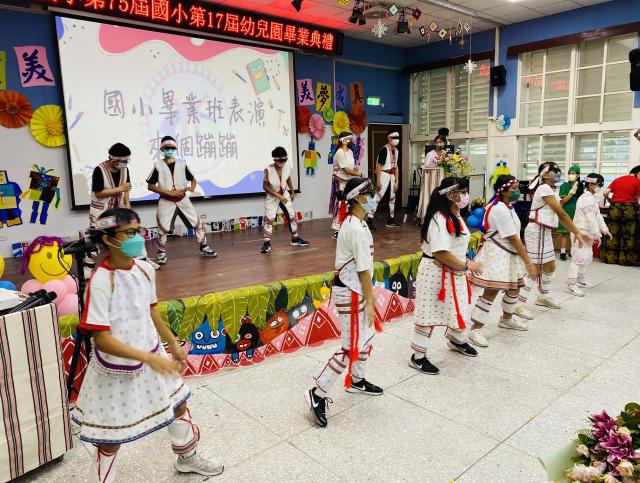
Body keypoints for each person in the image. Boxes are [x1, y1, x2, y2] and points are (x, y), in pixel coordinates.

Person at [74, 208, 224, 482]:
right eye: (128, 233)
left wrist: (172, 343)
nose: (137, 238)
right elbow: (102, 339)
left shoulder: (144, 269)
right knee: (110, 438)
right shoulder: (100, 282)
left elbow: (151, 309)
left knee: (178, 404)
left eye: (138, 231)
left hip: (152, 354)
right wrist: (149, 358)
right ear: (108, 239)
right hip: (117, 369)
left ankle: (187, 458)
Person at [306, 178, 383, 428]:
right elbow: (363, 270)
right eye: (370, 194)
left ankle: (357, 380)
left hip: (354, 288)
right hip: (351, 291)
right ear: (358, 198)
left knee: (365, 338)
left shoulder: (356, 222)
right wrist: (370, 301)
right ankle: (317, 393)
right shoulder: (356, 228)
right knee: (350, 347)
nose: (374, 198)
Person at [410, 177, 483, 375]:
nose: (466, 196)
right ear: (450, 194)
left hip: (454, 271)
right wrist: (467, 265)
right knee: (428, 313)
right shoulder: (439, 219)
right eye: (463, 192)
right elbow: (440, 253)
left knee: (459, 306)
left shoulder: (454, 214)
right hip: (436, 273)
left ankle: (457, 340)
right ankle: (418, 356)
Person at [467, 175, 538, 347]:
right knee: (491, 291)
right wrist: (529, 263)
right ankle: (475, 329)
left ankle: (506, 319)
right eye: (514, 188)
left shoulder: (508, 206)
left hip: (509, 253)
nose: (517, 191)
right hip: (498, 253)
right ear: (503, 191)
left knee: (514, 288)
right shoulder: (499, 209)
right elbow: (513, 238)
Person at [514, 162, 592, 320]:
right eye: (554, 170)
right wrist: (577, 232)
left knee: (550, 266)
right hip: (537, 231)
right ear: (544, 174)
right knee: (534, 269)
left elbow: (559, 209)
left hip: (545, 232)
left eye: (558, 170)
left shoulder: (552, 190)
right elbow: (561, 213)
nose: (558, 173)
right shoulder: (543, 188)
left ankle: (542, 297)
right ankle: (518, 304)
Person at [147, 136, 217, 264]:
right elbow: (150, 186)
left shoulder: (182, 164)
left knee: (197, 223)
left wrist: (193, 187)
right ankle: (161, 253)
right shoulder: (158, 166)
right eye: (167, 148)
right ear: (162, 149)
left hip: (183, 199)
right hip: (166, 200)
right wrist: (169, 192)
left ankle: (204, 246)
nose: (170, 150)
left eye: (172, 148)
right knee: (162, 228)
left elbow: (193, 179)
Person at [88, 143, 158, 270]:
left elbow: (126, 189)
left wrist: (128, 205)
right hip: (102, 211)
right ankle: (87, 266)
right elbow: (98, 193)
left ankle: (142, 261)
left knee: (132, 232)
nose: (126, 164)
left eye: (127, 161)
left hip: (119, 210)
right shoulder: (99, 170)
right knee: (97, 237)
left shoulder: (125, 169)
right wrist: (120, 189)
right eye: (124, 161)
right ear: (114, 160)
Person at [566, 174, 611, 296]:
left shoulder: (592, 198)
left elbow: (597, 216)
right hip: (580, 231)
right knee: (577, 258)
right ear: (591, 184)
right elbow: (591, 218)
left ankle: (580, 280)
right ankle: (571, 284)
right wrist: (597, 234)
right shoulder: (586, 198)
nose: (601, 186)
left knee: (585, 256)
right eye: (600, 184)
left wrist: (604, 229)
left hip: (587, 232)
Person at [261, 146, 308, 253]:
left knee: (291, 215)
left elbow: (288, 178)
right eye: (280, 160)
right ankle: (267, 243)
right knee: (269, 218)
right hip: (272, 196)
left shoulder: (287, 167)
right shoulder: (269, 170)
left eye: (284, 160)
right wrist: (279, 196)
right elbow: (265, 187)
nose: (282, 162)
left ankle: (295, 238)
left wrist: (292, 192)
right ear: (275, 159)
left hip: (284, 194)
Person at [600, 165, 640, 266]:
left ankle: (609, 258)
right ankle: (625, 260)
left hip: (615, 207)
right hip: (629, 208)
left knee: (613, 231)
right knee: (628, 234)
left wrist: (610, 200)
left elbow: (605, 192)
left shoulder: (618, 179)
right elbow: (638, 200)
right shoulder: (637, 182)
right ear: (638, 173)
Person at [329, 131, 362, 239]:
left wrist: (354, 169)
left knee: (347, 204)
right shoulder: (339, 152)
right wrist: (359, 174)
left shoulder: (350, 152)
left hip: (347, 181)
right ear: (342, 140)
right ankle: (336, 230)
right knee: (340, 204)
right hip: (339, 181)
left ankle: (344, 227)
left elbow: (350, 168)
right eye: (348, 139)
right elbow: (346, 170)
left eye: (351, 139)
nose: (350, 141)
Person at [368, 129, 400, 230]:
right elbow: (378, 165)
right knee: (377, 197)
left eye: (397, 138)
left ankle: (391, 219)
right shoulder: (384, 149)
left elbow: (396, 167)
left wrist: (397, 181)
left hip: (392, 175)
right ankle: (369, 220)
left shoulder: (396, 151)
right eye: (394, 138)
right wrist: (378, 180)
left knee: (392, 198)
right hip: (384, 174)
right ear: (389, 138)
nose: (396, 140)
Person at [415, 135, 446, 222]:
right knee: (432, 196)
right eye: (437, 142)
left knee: (441, 197)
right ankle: (428, 218)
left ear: (444, 143)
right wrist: (436, 166)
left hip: (442, 179)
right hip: (431, 180)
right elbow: (425, 167)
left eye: (440, 142)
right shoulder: (430, 154)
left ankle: (441, 218)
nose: (439, 144)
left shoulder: (445, 153)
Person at [557, 166, 583, 261]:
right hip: (566, 211)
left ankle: (573, 252)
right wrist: (571, 193)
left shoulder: (582, 186)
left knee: (576, 233)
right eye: (569, 173)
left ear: (578, 175)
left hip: (578, 212)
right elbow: (564, 200)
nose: (571, 175)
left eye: (573, 173)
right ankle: (563, 253)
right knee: (564, 233)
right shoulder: (564, 186)